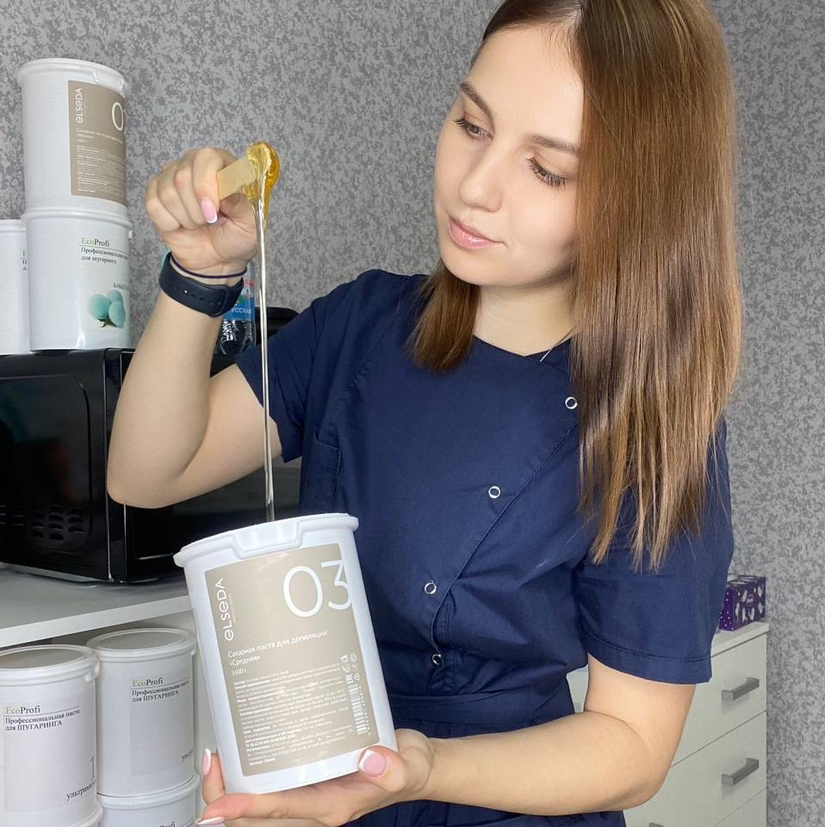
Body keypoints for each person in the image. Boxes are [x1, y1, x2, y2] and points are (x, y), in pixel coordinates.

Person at [107, 1, 744, 825]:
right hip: (328, 781)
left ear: (639, 201)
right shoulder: (362, 325)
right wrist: (197, 276)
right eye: (472, 125)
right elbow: (145, 475)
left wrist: (422, 768)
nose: (474, 188)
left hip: (507, 800)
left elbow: (631, 745)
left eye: (546, 169)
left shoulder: (650, 424)